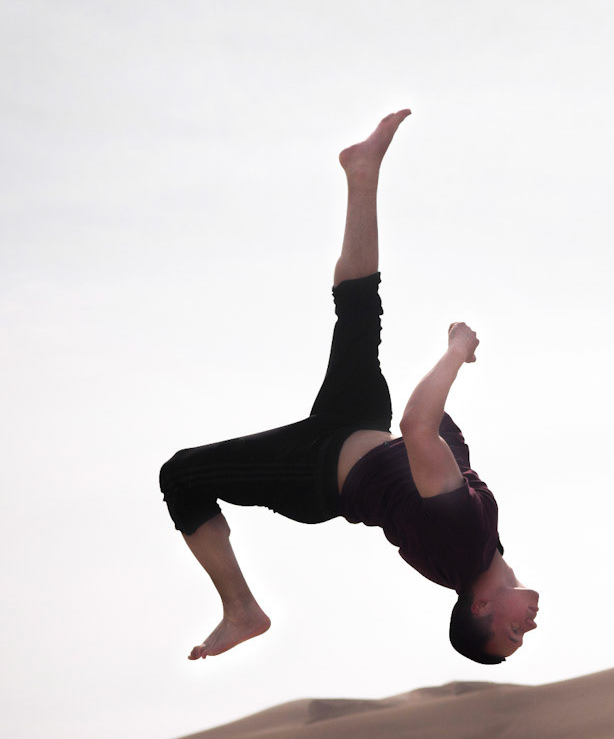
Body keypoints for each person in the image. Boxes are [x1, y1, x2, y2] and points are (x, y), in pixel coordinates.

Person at [158, 112, 539, 666]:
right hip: (358, 426)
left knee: (181, 477)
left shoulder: (465, 543)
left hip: (314, 473)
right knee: (358, 304)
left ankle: (241, 610)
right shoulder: (480, 553)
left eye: (513, 633)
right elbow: (430, 451)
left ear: (482, 607)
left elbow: (417, 429)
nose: (527, 628)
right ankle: (363, 171)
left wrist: (456, 351)